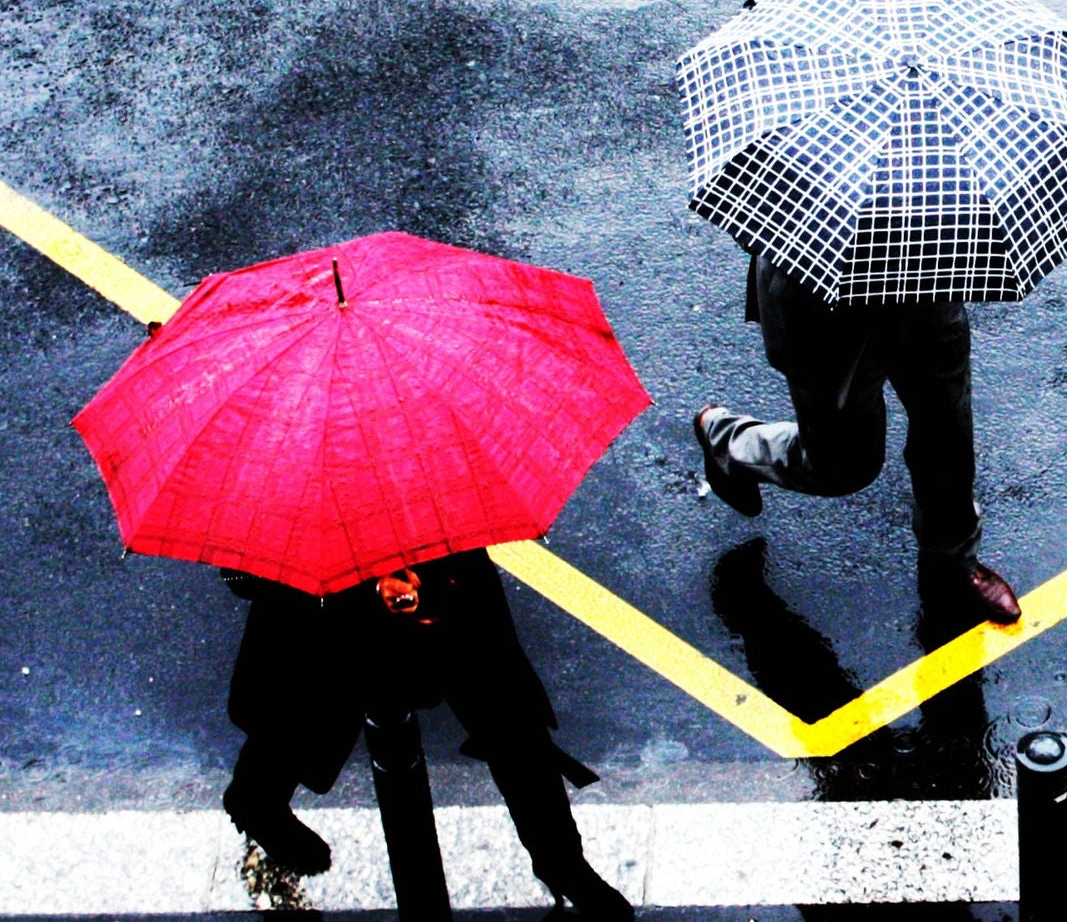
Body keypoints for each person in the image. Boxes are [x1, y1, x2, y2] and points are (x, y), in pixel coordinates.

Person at [220, 549, 630, 919]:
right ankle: (257, 796)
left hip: (440, 580)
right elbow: (240, 579)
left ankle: (561, 861)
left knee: (509, 715)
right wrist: (330, 587)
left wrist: (417, 579)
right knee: (308, 688)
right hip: (331, 606)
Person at [691, 253, 1022, 626]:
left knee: (947, 427)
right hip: (825, 305)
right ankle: (727, 440)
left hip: (927, 275)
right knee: (843, 465)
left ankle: (954, 557)